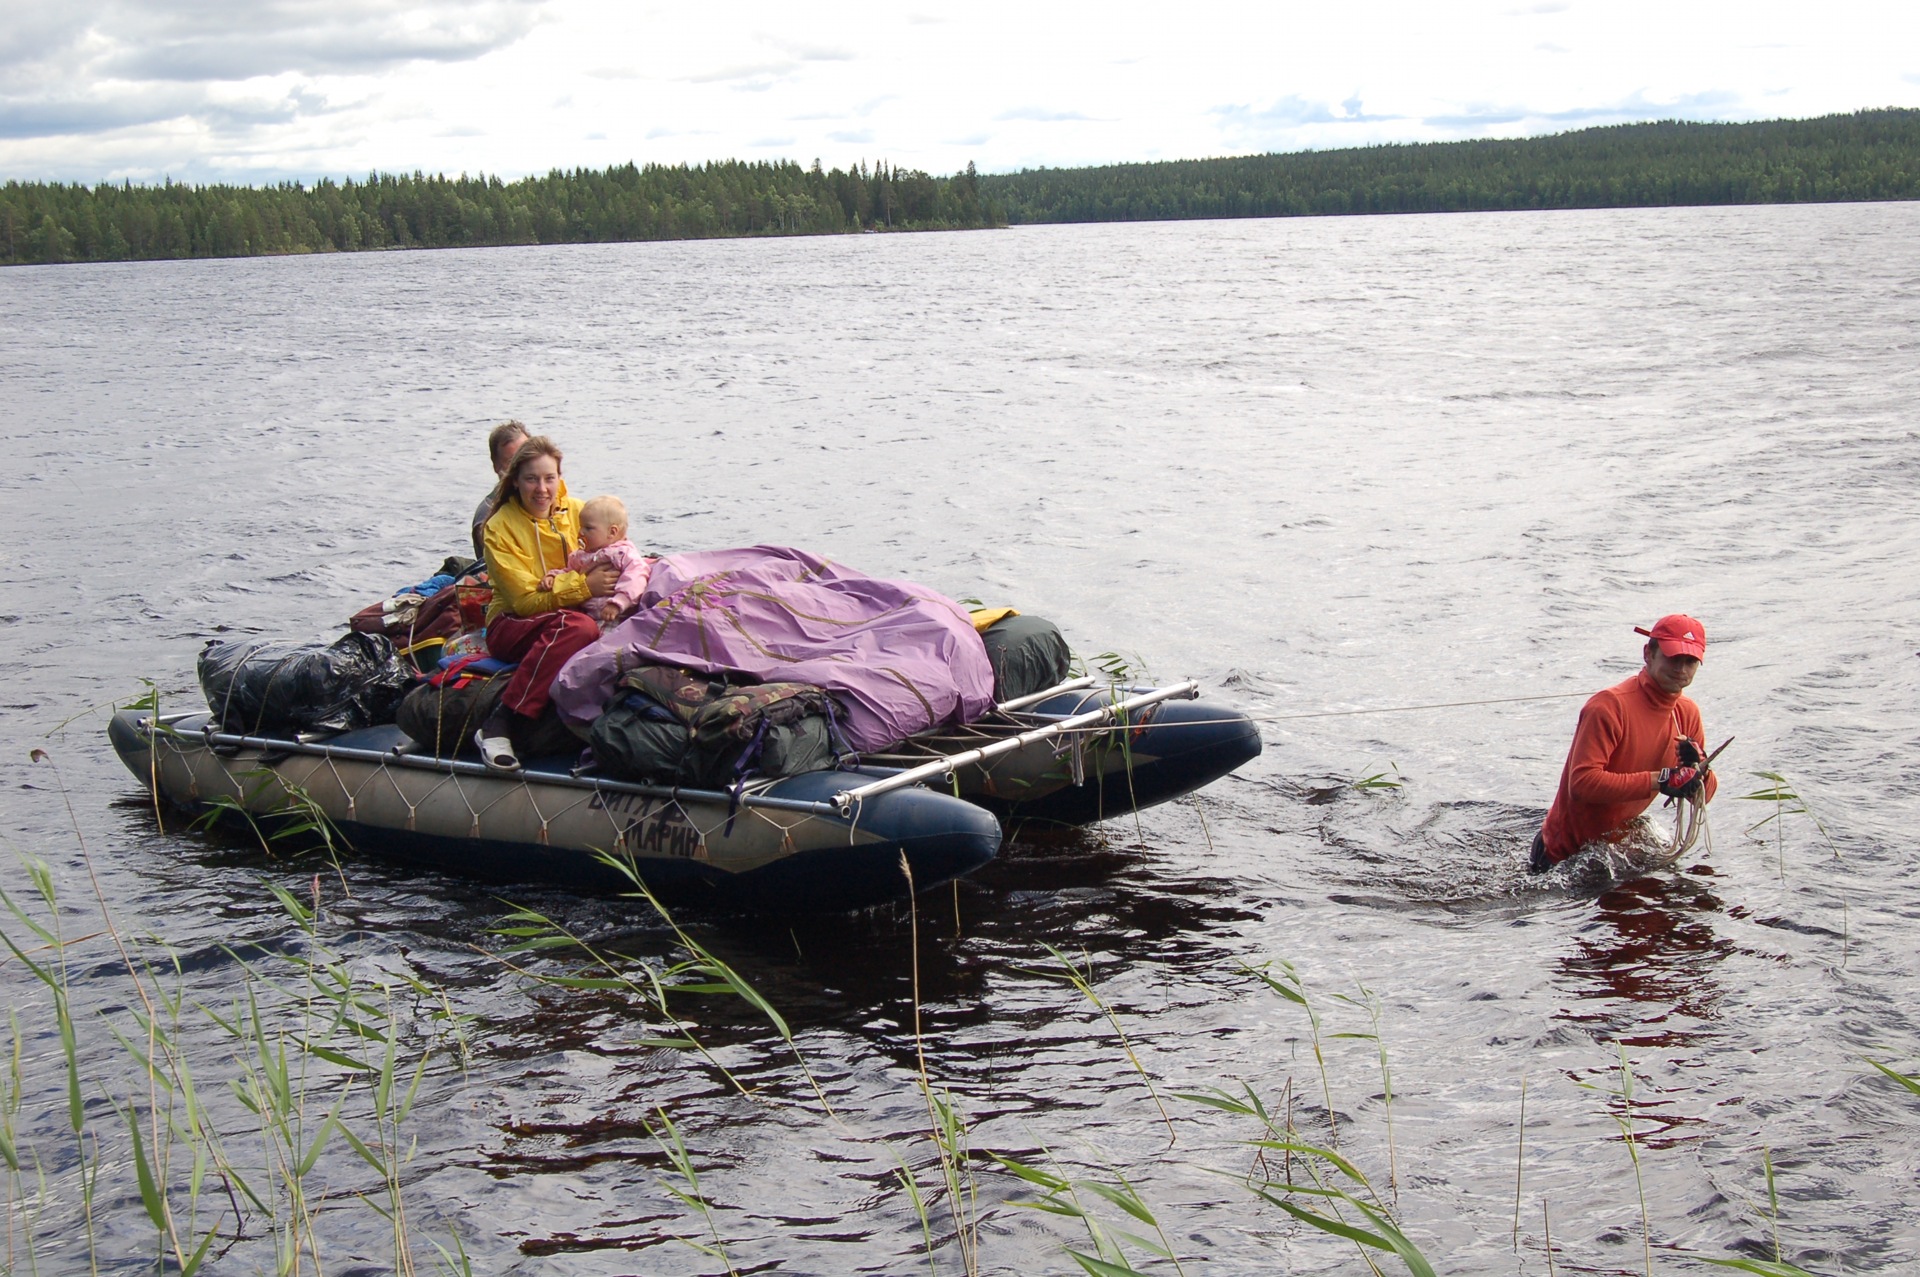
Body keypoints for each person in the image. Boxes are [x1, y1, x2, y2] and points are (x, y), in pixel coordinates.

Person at [1530, 614, 1720, 872]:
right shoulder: (1608, 706)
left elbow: (1704, 797)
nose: (1682, 670)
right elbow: (1582, 784)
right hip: (1562, 858)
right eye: (1673, 658)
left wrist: (1698, 770)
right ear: (1648, 654)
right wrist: (1662, 780)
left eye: (1690, 661)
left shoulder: (1687, 713)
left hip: (1615, 851)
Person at [474, 436, 619, 769]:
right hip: (512, 622)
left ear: (559, 478)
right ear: (514, 481)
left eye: (549, 478)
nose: (542, 488)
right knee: (580, 626)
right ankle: (502, 720)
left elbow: (616, 551)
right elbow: (524, 600)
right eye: (531, 479)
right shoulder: (498, 527)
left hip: (570, 613)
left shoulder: (580, 512)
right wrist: (585, 586)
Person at [540, 494, 653, 631]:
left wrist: (619, 602)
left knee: (606, 643)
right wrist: (554, 577)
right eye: (580, 526)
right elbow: (569, 573)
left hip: (615, 615)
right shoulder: (581, 556)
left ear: (612, 532)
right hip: (588, 614)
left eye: (588, 528)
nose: (581, 532)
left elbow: (636, 578)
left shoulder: (622, 554)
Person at [471, 420, 529, 561]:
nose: (521, 468)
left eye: (526, 458)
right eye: (511, 463)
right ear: (496, 466)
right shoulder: (487, 514)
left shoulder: (549, 501)